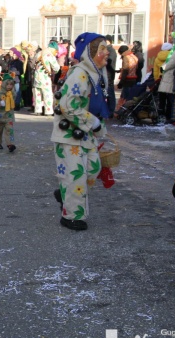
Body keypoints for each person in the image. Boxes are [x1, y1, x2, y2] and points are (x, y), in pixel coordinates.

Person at [52, 32, 109, 231]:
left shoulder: (96, 74)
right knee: (76, 176)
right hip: (69, 134)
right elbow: (68, 106)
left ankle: (65, 194)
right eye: (102, 49)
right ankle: (72, 216)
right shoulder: (80, 73)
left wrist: (97, 123)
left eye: (105, 49)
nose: (107, 53)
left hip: (85, 133)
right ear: (89, 53)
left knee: (93, 169)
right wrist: (93, 122)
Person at [32, 40, 59, 116]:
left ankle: (38, 110)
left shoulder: (39, 53)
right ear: (53, 49)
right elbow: (56, 67)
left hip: (36, 77)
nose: (56, 53)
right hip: (45, 78)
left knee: (37, 95)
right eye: (56, 51)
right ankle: (48, 111)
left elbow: (33, 64)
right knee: (47, 94)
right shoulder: (49, 55)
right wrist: (54, 72)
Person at [0, 73, 17, 152]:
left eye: (11, 84)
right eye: (7, 84)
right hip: (0, 116)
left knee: (10, 130)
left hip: (9, 116)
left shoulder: (13, 93)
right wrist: (0, 103)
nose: (9, 86)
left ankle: (10, 144)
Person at [104, 35, 117, 118]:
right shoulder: (107, 50)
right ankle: (108, 110)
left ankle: (111, 111)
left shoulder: (111, 50)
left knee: (110, 94)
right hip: (106, 74)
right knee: (106, 93)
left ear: (108, 41)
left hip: (109, 74)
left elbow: (110, 60)